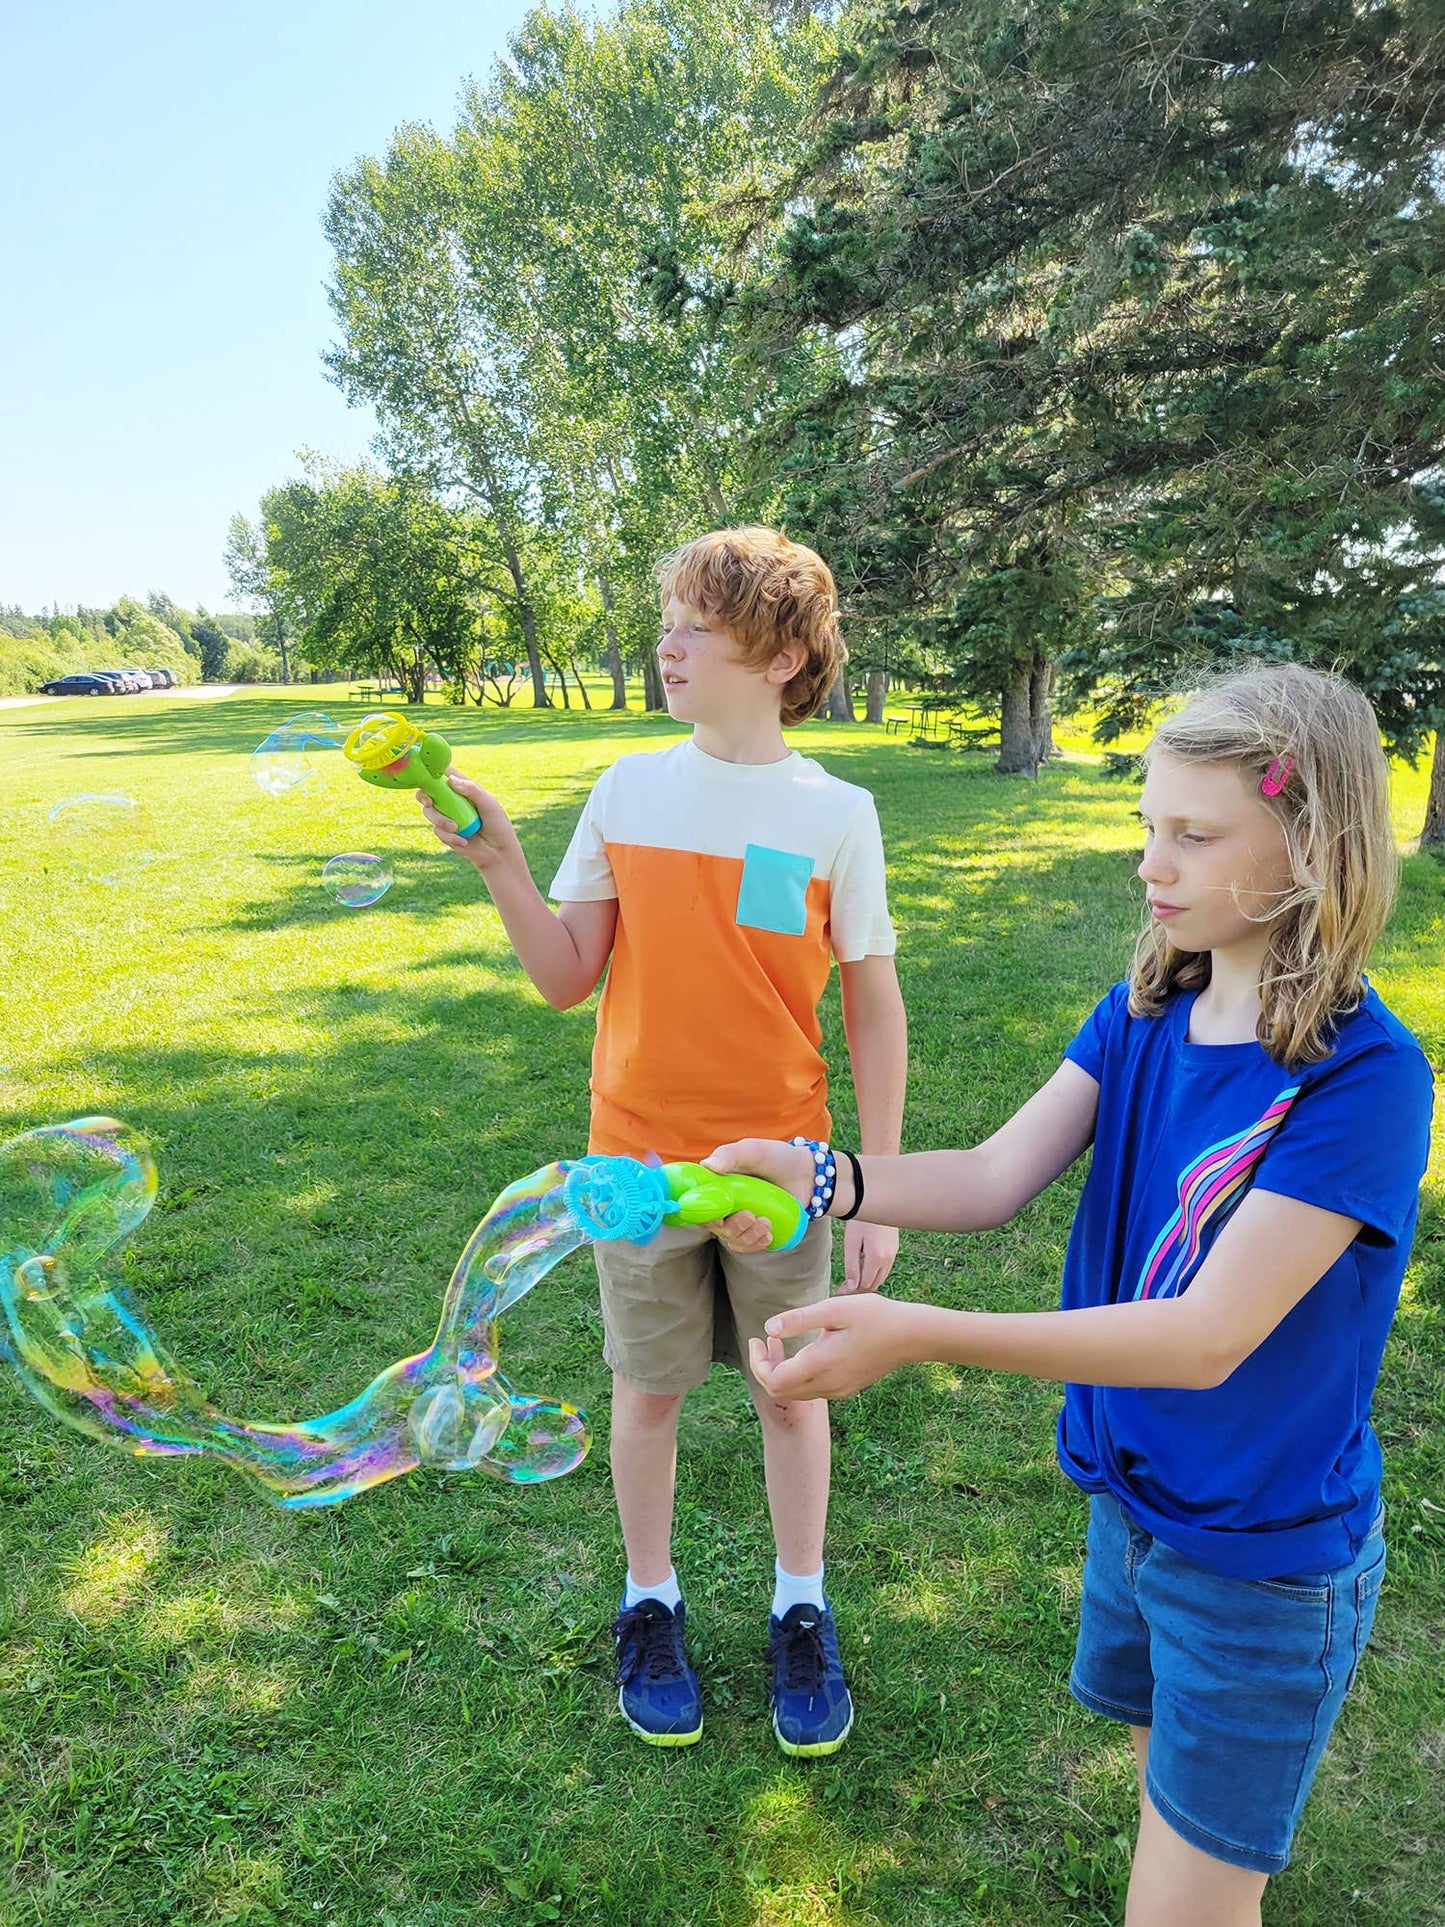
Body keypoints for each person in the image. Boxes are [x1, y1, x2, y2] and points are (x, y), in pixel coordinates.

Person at [705, 664, 1434, 1922]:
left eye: (1194, 835)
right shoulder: (1143, 1012)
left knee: (1186, 1906)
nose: (1150, 863)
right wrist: (825, 1175)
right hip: (1137, 1507)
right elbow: (993, 1172)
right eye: (1146, 825)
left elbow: (1206, 1337)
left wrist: (920, 1332)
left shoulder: (1358, 1083)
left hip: (1258, 1563)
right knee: (1177, 1817)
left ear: (1313, 847)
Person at [418, 526, 908, 1754]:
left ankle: (801, 1604)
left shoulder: (837, 813)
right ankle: (651, 1600)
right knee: (646, 1395)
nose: (666, 642)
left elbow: (871, 1000)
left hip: (775, 1172)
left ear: (785, 655)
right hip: (632, 1163)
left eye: (697, 622)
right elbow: (563, 975)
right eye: (668, 618)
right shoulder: (628, 787)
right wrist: (501, 866)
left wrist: (877, 1190)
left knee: (789, 1394)